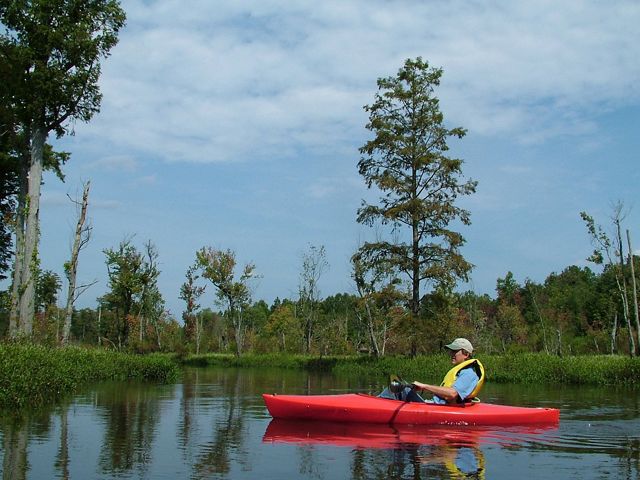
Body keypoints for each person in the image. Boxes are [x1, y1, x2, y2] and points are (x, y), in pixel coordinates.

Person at [379, 338, 485, 404]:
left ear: (466, 354)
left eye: (455, 351)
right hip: (436, 404)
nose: (451, 354)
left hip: (440, 409)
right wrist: (423, 388)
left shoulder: (469, 374)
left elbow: (452, 393)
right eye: (451, 351)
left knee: (402, 390)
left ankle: (374, 404)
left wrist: (425, 386)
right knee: (403, 387)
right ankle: (377, 403)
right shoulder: (462, 372)